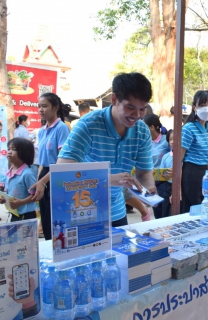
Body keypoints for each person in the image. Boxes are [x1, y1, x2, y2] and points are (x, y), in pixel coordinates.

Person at [56, 72, 156, 227]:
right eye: (130, 107)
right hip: (84, 212)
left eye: (142, 109)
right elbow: (62, 171)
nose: (137, 115)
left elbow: (144, 172)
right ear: (115, 99)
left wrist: (149, 188)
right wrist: (109, 179)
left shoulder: (142, 132)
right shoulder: (88, 125)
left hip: (117, 212)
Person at [30, 93, 70, 240]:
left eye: (44, 106)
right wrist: (38, 180)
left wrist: (43, 181)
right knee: (45, 217)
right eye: (39, 106)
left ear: (55, 108)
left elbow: (62, 161)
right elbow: (42, 161)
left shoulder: (62, 128)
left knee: (54, 218)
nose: (40, 109)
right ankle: (48, 246)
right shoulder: (41, 131)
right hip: (44, 174)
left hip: (57, 175)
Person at [179, 90, 208, 213]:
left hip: (204, 172)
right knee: (195, 207)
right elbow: (179, 159)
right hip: (192, 173)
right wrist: (177, 187)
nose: (207, 108)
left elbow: (207, 157)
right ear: (195, 107)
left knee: (204, 206)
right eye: (202, 105)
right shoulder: (189, 128)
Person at [0, 138, 37, 222]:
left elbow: (35, 195)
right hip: (14, 213)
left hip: (26, 215)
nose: (9, 152)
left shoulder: (27, 174)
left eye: (14, 149)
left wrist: (21, 202)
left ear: (24, 153)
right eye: (8, 149)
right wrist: (4, 199)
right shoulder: (10, 171)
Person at [143, 114, 171, 219]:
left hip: (165, 181)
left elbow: (173, 156)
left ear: (151, 127)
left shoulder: (166, 140)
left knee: (165, 211)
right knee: (156, 210)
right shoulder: (146, 142)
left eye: (144, 126)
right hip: (151, 180)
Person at [160, 129, 174, 218]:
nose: (172, 142)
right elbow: (162, 174)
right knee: (165, 212)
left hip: (180, 188)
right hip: (168, 187)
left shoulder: (185, 156)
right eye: (170, 139)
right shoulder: (166, 157)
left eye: (174, 139)